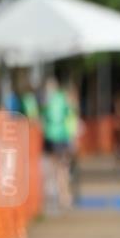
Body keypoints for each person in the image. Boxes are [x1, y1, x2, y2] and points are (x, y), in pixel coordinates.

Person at [41, 77, 73, 213]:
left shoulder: (51, 99)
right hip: (59, 137)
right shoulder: (60, 98)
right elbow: (69, 113)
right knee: (60, 168)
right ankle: (63, 196)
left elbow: (45, 116)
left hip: (56, 137)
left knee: (58, 168)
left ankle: (63, 196)